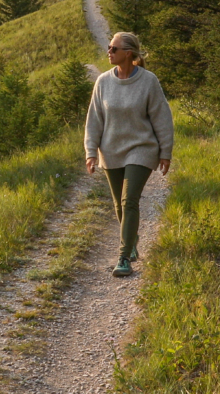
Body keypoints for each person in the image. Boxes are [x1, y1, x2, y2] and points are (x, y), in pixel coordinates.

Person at [84, 32, 174, 277]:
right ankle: (131, 240)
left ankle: (123, 257)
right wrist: (91, 152)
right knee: (118, 204)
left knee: (129, 200)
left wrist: (165, 152)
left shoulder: (148, 81)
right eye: (109, 48)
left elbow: (162, 118)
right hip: (111, 150)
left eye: (113, 48)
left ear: (129, 53)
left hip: (141, 148)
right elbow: (94, 120)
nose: (109, 52)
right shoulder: (103, 81)